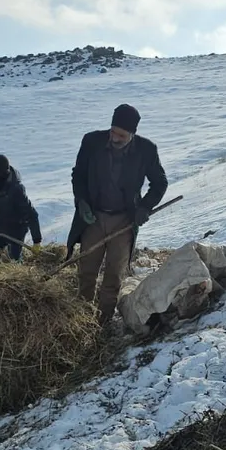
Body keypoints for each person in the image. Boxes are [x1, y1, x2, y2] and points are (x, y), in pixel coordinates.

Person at [66, 103, 168, 324]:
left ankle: (102, 320)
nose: (114, 137)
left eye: (121, 135)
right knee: (87, 270)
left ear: (132, 134)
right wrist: (81, 202)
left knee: (114, 274)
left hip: (123, 221)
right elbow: (79, 175)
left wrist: (144, 208)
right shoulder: (92, 142)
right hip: (93, 217)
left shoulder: (146, 150)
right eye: (113, 131)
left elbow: (159, 183)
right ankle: (82, 317)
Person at [0, 154, 42, 263]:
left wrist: (37, 241)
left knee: (13, 260)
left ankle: (18, 272)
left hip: (17, 228)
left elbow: (32, 214)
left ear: (2, 173)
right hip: (1, 225)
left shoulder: (16, 189)